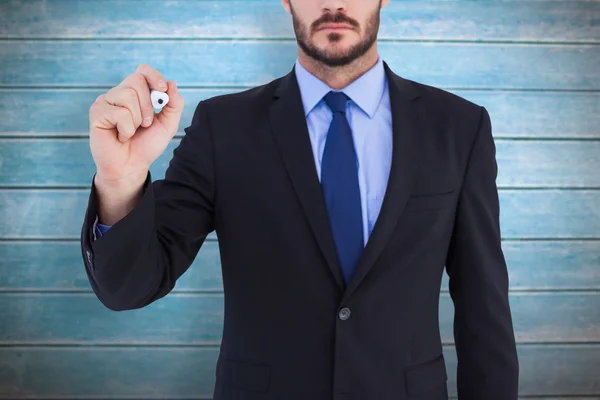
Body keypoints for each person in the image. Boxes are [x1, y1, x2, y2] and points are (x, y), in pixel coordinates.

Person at [81, 0, 519, 398]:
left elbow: (484, 309)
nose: (334, 3)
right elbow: (127, 288)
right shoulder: (223, 128)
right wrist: (121, 179)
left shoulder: (460, 128)